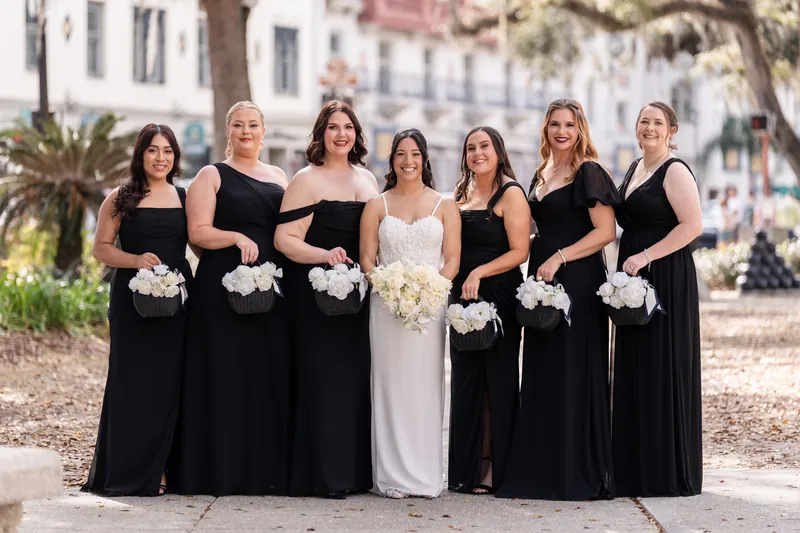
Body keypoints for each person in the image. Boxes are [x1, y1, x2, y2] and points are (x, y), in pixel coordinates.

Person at [497, 99, 618, 501]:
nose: (561, 131)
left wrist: (559, 257)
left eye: (569, 124)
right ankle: (541, 469)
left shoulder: (589, 172)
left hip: (577, 281)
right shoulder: (540, 172)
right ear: (545, 129)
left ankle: (573, 471)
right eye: (554, 124)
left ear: (580, 129)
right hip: (541, 279)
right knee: (542, 368)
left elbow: (604, 232)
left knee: (572, 368)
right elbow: (544, 224)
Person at [170, 101, 292, 496]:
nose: (246, 131)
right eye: (238, 125)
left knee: (265, 374)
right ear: (227, 131)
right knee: (222, 373)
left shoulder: (279, 176)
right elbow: (198, 233)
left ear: (263, 131)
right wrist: (237, 237)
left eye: (253, 125)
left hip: (271, 288)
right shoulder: (211, 174)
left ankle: (265, 472)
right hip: (220, 289)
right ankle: (217, 470)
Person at [275, 100, 379, 499]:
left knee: (354, 380)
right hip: (316, 298)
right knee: (324, 380)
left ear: (356, 134)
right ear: (321, 134)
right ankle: (322, 475)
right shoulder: (306, 179)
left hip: (359, 299)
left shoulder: (368, 180)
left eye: (348, 127)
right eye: (333, 127)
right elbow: (284, 240)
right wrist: (325, 256)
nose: (341, 134)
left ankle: (353, 474)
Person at [83, 124, 193, 496]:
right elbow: (101, 248)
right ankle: (128, 471)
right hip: (132, 303)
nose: (161, 158)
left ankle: (163, 470)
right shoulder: (120, 197)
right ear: (140, 154)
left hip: (178, 301)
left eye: (167, 151)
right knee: (133, 382)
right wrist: (134, 260)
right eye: (152, 150)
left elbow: (201, 240)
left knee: (171, 383)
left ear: (175, 157)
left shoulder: (185, 196)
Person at [359, 129, 461, 499]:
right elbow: (368, 259)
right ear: (392, 161)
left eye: (415, 154)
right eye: (400, 154)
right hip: (385, 307)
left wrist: (429, 289)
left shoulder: (445, 205)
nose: (407, 161)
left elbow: (452, 261)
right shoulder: (377, 205)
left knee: (425, 386)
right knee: (389, 385)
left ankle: (425, 476)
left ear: (425, 159)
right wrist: (387, 285)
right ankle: (391, 477)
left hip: (429, 308)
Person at [613, 101, 703, 497]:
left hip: (665, 274)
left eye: (657, 123)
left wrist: (647, 256)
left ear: (672, 131)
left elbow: (693, 226)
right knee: (635, 364)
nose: (649, 128)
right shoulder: (634, 168)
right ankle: (632, 468)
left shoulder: (674, 170)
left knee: (661, 365)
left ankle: (664, 470)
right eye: (644, 121)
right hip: (632, 273)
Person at [448, 126, 530, 495]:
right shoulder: (460, 193)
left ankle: (498, 466)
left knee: (496, 379)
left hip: (498, 291)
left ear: (498, 151)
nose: (477, 153)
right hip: (461, 294)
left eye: (484, 146)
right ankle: (466, 469)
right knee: (467, 380)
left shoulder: (510, 193)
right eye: (470, 148)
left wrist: (480, 272)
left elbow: (520, 252)